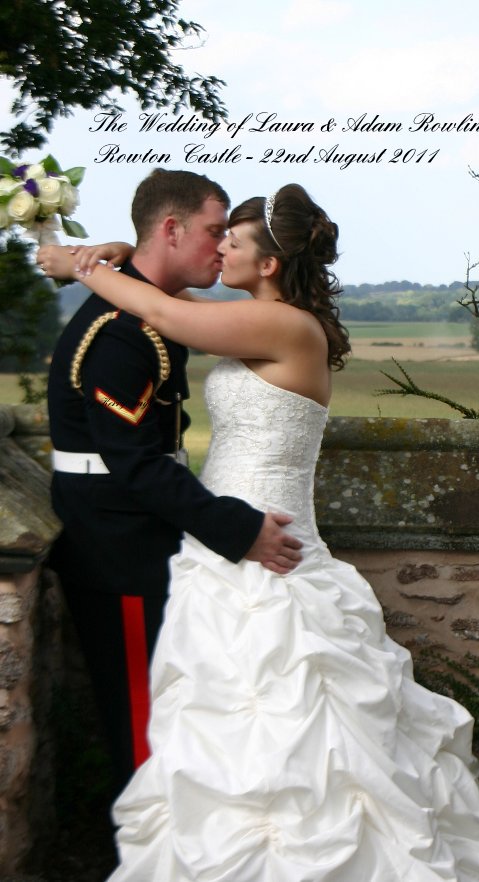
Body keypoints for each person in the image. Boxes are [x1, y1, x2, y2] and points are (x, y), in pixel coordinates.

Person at [39, 182, 479, 881]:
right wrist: (121, 252)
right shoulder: (258, 315)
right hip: (225, 547)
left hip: (266, 543)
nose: (220, 249)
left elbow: (156, 307)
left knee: (300, 737)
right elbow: (163, 299)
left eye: (231, 241)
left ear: (267, 263)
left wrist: (81, 264)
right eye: (214, 236)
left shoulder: (284, 327)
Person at [44, 169, 303, 797]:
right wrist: (238, 530)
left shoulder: (144, 310)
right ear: (172, 228)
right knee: (142, 721)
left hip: (137, 534)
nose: (220, 248)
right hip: (117, 546)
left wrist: (110, 255)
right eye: (214, 231)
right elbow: (136, 463)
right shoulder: (122, 331)